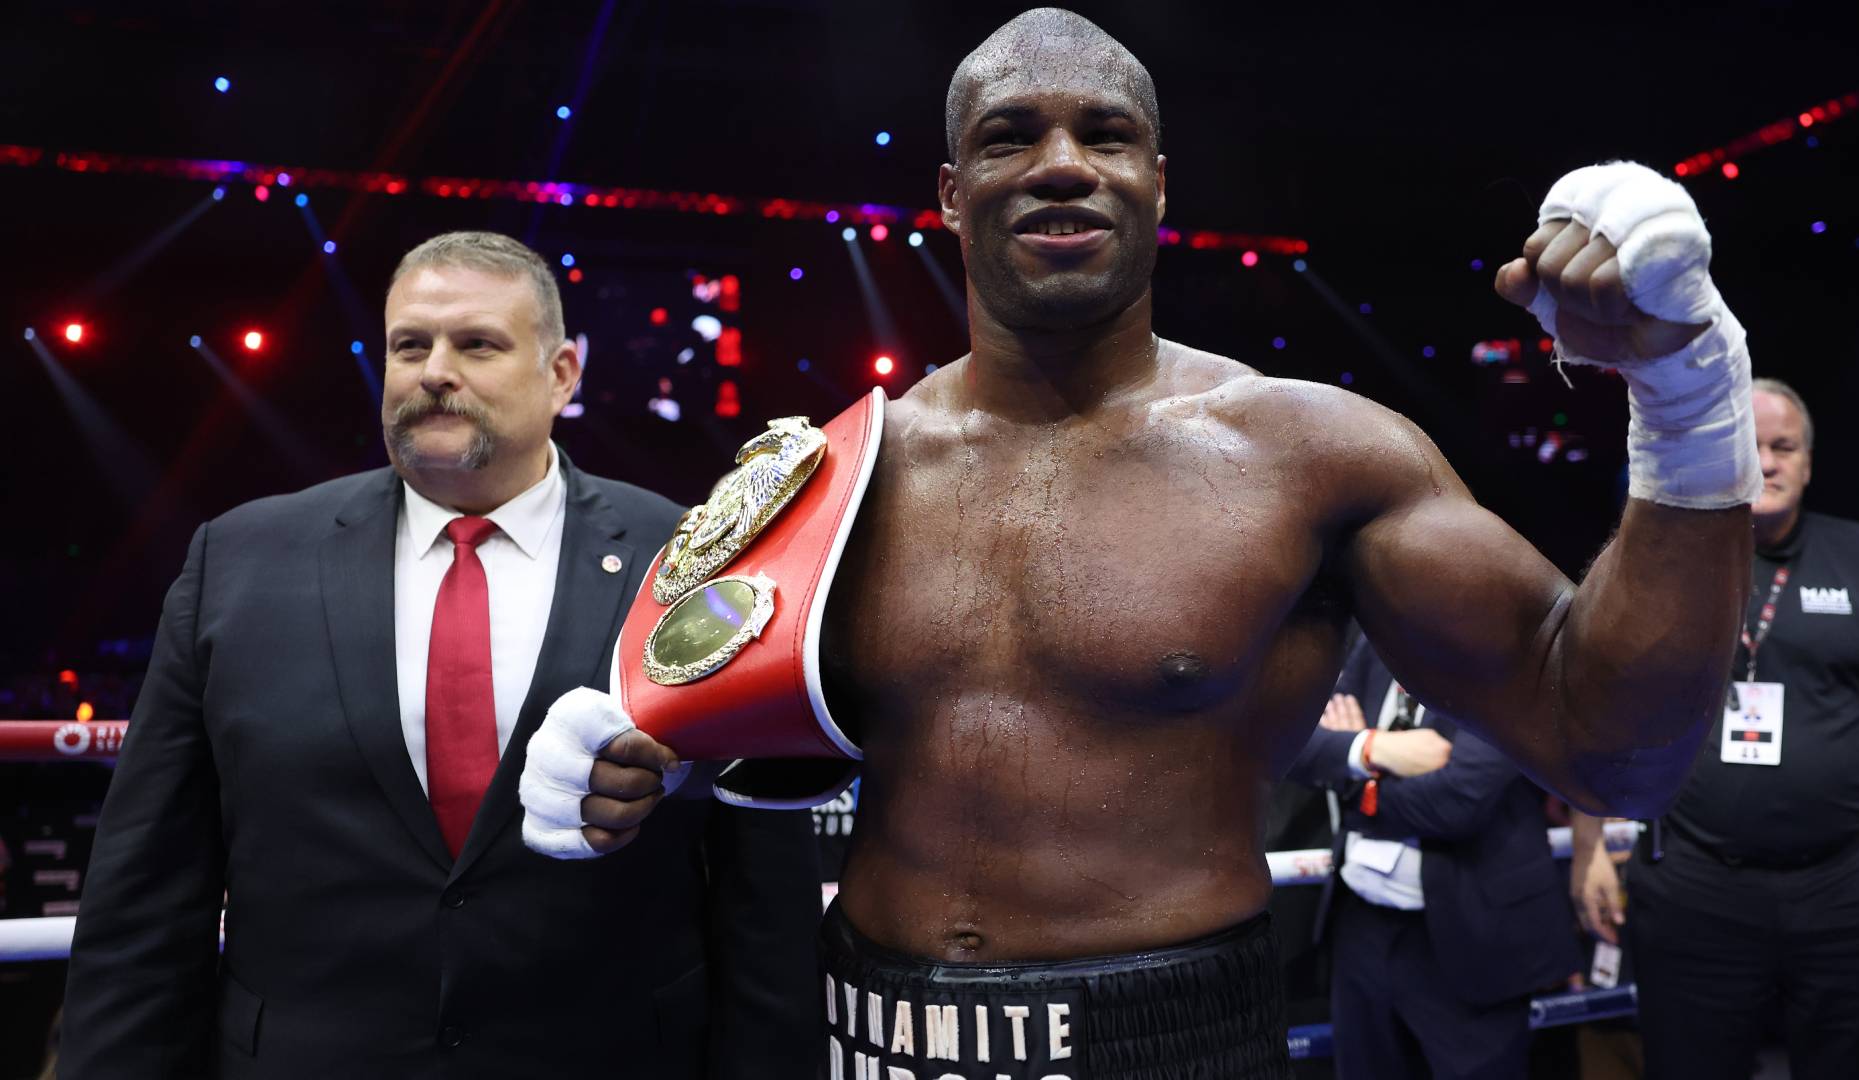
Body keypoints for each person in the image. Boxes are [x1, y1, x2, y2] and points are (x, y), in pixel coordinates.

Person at [549, 10, 1762, 1076]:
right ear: (949, 191)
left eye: (1107, 134)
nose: (1064, 165)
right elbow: (694, 741)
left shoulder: (1312, 456)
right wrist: (627, 758)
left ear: (1161, 181)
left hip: (1176, 1040)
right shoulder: (836, 475)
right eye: (1012, 135)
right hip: (873, 1037)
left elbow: (1619, 754)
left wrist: (1687, 400)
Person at [58, 231, 821, 1079]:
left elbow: (764, 898)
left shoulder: (689, 559)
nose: (434, 371)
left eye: (478, 344)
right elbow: (147, 891)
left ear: (564, 373)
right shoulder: (238, 562)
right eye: (409, 345)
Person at [1568, 377, 1859, 1079]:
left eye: (1783, 446)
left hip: (1848, 882)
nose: (1768, 460)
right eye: (1749, 446)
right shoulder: (1656, 566)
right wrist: (1588, 849)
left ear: (1808, 461)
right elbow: (1601, 710)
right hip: (1697, 881)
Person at [1291, 633, 1579, 1079]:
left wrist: (1354, 778)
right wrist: (1374, 749)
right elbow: (1298, 745)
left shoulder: (1509, 663)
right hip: (1359, 926)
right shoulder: (1376, 646)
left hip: (1473, 934)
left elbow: (1459, 801)